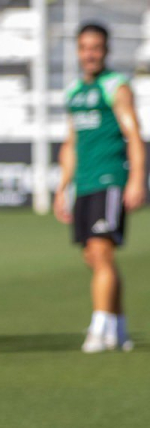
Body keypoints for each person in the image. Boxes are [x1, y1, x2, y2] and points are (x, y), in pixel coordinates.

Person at [54, 22, 145, 352]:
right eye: (84, 48)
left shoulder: (115, 87)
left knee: (102, 250)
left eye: (95, 48)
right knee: (93, 256)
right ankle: (118, 328)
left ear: (106, 50)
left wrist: (137, 179)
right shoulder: (74, 92)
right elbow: (71, 142)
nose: (89, 54)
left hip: (110, 179)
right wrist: (62, 187)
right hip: (84, 182)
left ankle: (99, 328)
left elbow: (134, 135)